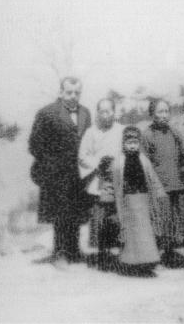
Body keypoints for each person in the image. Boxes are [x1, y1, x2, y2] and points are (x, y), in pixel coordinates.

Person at [29, 77, 92, 264]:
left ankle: (74, 251)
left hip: (79, 173)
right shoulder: (46, 113)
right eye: (69, 92)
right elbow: (34, 145)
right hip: (56, 173)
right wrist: (52, 164)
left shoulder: (85, 113)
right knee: (60, 213)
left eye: (77, 92)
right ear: (61, 92)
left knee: (76, 212)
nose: (73, 96)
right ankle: (60, 252)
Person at [141, 99, 184, 267]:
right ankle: (160, 255)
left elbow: (183, 155)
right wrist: (153, 184)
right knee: (162, 220)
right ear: (152, 114)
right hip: (159, 186)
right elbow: (145, 162)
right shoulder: (147, 134)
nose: (164, 115)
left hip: (177, 183)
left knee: (182, 220)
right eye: (160, 112)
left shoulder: (174, 132)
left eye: (166, 111)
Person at [112, 126, 169, 277]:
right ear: (123, 143)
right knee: (132, 233)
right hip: (128, 201)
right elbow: (116, 183)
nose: (132, 145)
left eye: (135, 142)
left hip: (144, 200)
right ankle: (131, 263)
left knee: (146, 232)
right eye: (129, 142)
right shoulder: (119, 162)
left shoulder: (144, 159)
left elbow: (152, 177)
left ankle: (148, 262)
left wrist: (159, 193)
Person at [78, 98, 124, 268]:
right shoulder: (91, 132)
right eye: (102, 111)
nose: (106, 115)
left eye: (109, 111)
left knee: (116, 216)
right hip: (98, 180)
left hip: (117, 179)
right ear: (97, 113)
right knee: (99, 216)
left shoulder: (121, 130)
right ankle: (101, 253)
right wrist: (98, 163)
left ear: (114, 112)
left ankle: (117, 250)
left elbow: (127, 151)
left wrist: (117, 164)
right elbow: (83, 155)